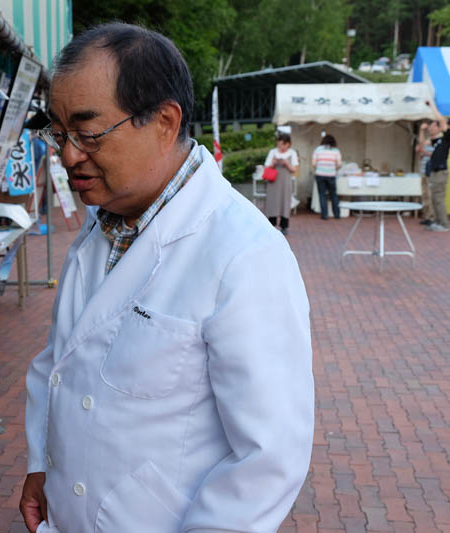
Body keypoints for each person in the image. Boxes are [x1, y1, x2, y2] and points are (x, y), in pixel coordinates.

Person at [20, 23, 313, 533]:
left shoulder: (244, 254)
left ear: (164, 121)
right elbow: (60, 361)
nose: (68, 155)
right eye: (59, 134)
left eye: (88, 134)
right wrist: (43, 464)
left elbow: (267, 458)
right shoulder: (102, 225)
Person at [424, 100, 450, 232]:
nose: (438, 125)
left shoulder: (449, 137)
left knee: (439, 199)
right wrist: (425, 128)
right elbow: (429, 138)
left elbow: (441, 122)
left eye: (444, 123)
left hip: (441, 173)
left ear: (449, 126)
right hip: (435, 172)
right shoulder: (439, 140)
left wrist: (433, 106)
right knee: (434, 199)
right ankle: (437, 222)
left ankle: (444, 224)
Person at [263, 132, 299, 235]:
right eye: (279, 144)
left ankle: (284, 226)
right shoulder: (273, 152)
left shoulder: (292, 153)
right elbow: (266, 167)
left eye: (283, 144)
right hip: (273, 181)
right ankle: (272, 224)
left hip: (285, 182)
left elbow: (294, 169)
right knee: (272, 201)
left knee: (285, 202)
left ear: (288, 144)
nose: (281, 147)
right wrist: (273, 163)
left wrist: (287, 164)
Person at [312, 134, 343, 220]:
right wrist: (334, 169)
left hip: (320, 174)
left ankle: (324, 215)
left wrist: (320, 167)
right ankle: (337, 214)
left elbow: (313, 163)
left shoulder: (318, 149)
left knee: (322, 195)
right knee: (333, 195)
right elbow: (339, 164)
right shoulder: (336, 150)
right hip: (331, 175)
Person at [416, 123, 435, 225]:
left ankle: (432, 217)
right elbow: (420, 156)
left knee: (430, 194)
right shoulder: (427, 141)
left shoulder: (437, 141)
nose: (430, 129)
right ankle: (427, 216)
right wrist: (420, 151)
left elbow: (437, 156)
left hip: (431, 172)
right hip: (423, 171)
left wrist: (424, 151)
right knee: (425, 195)